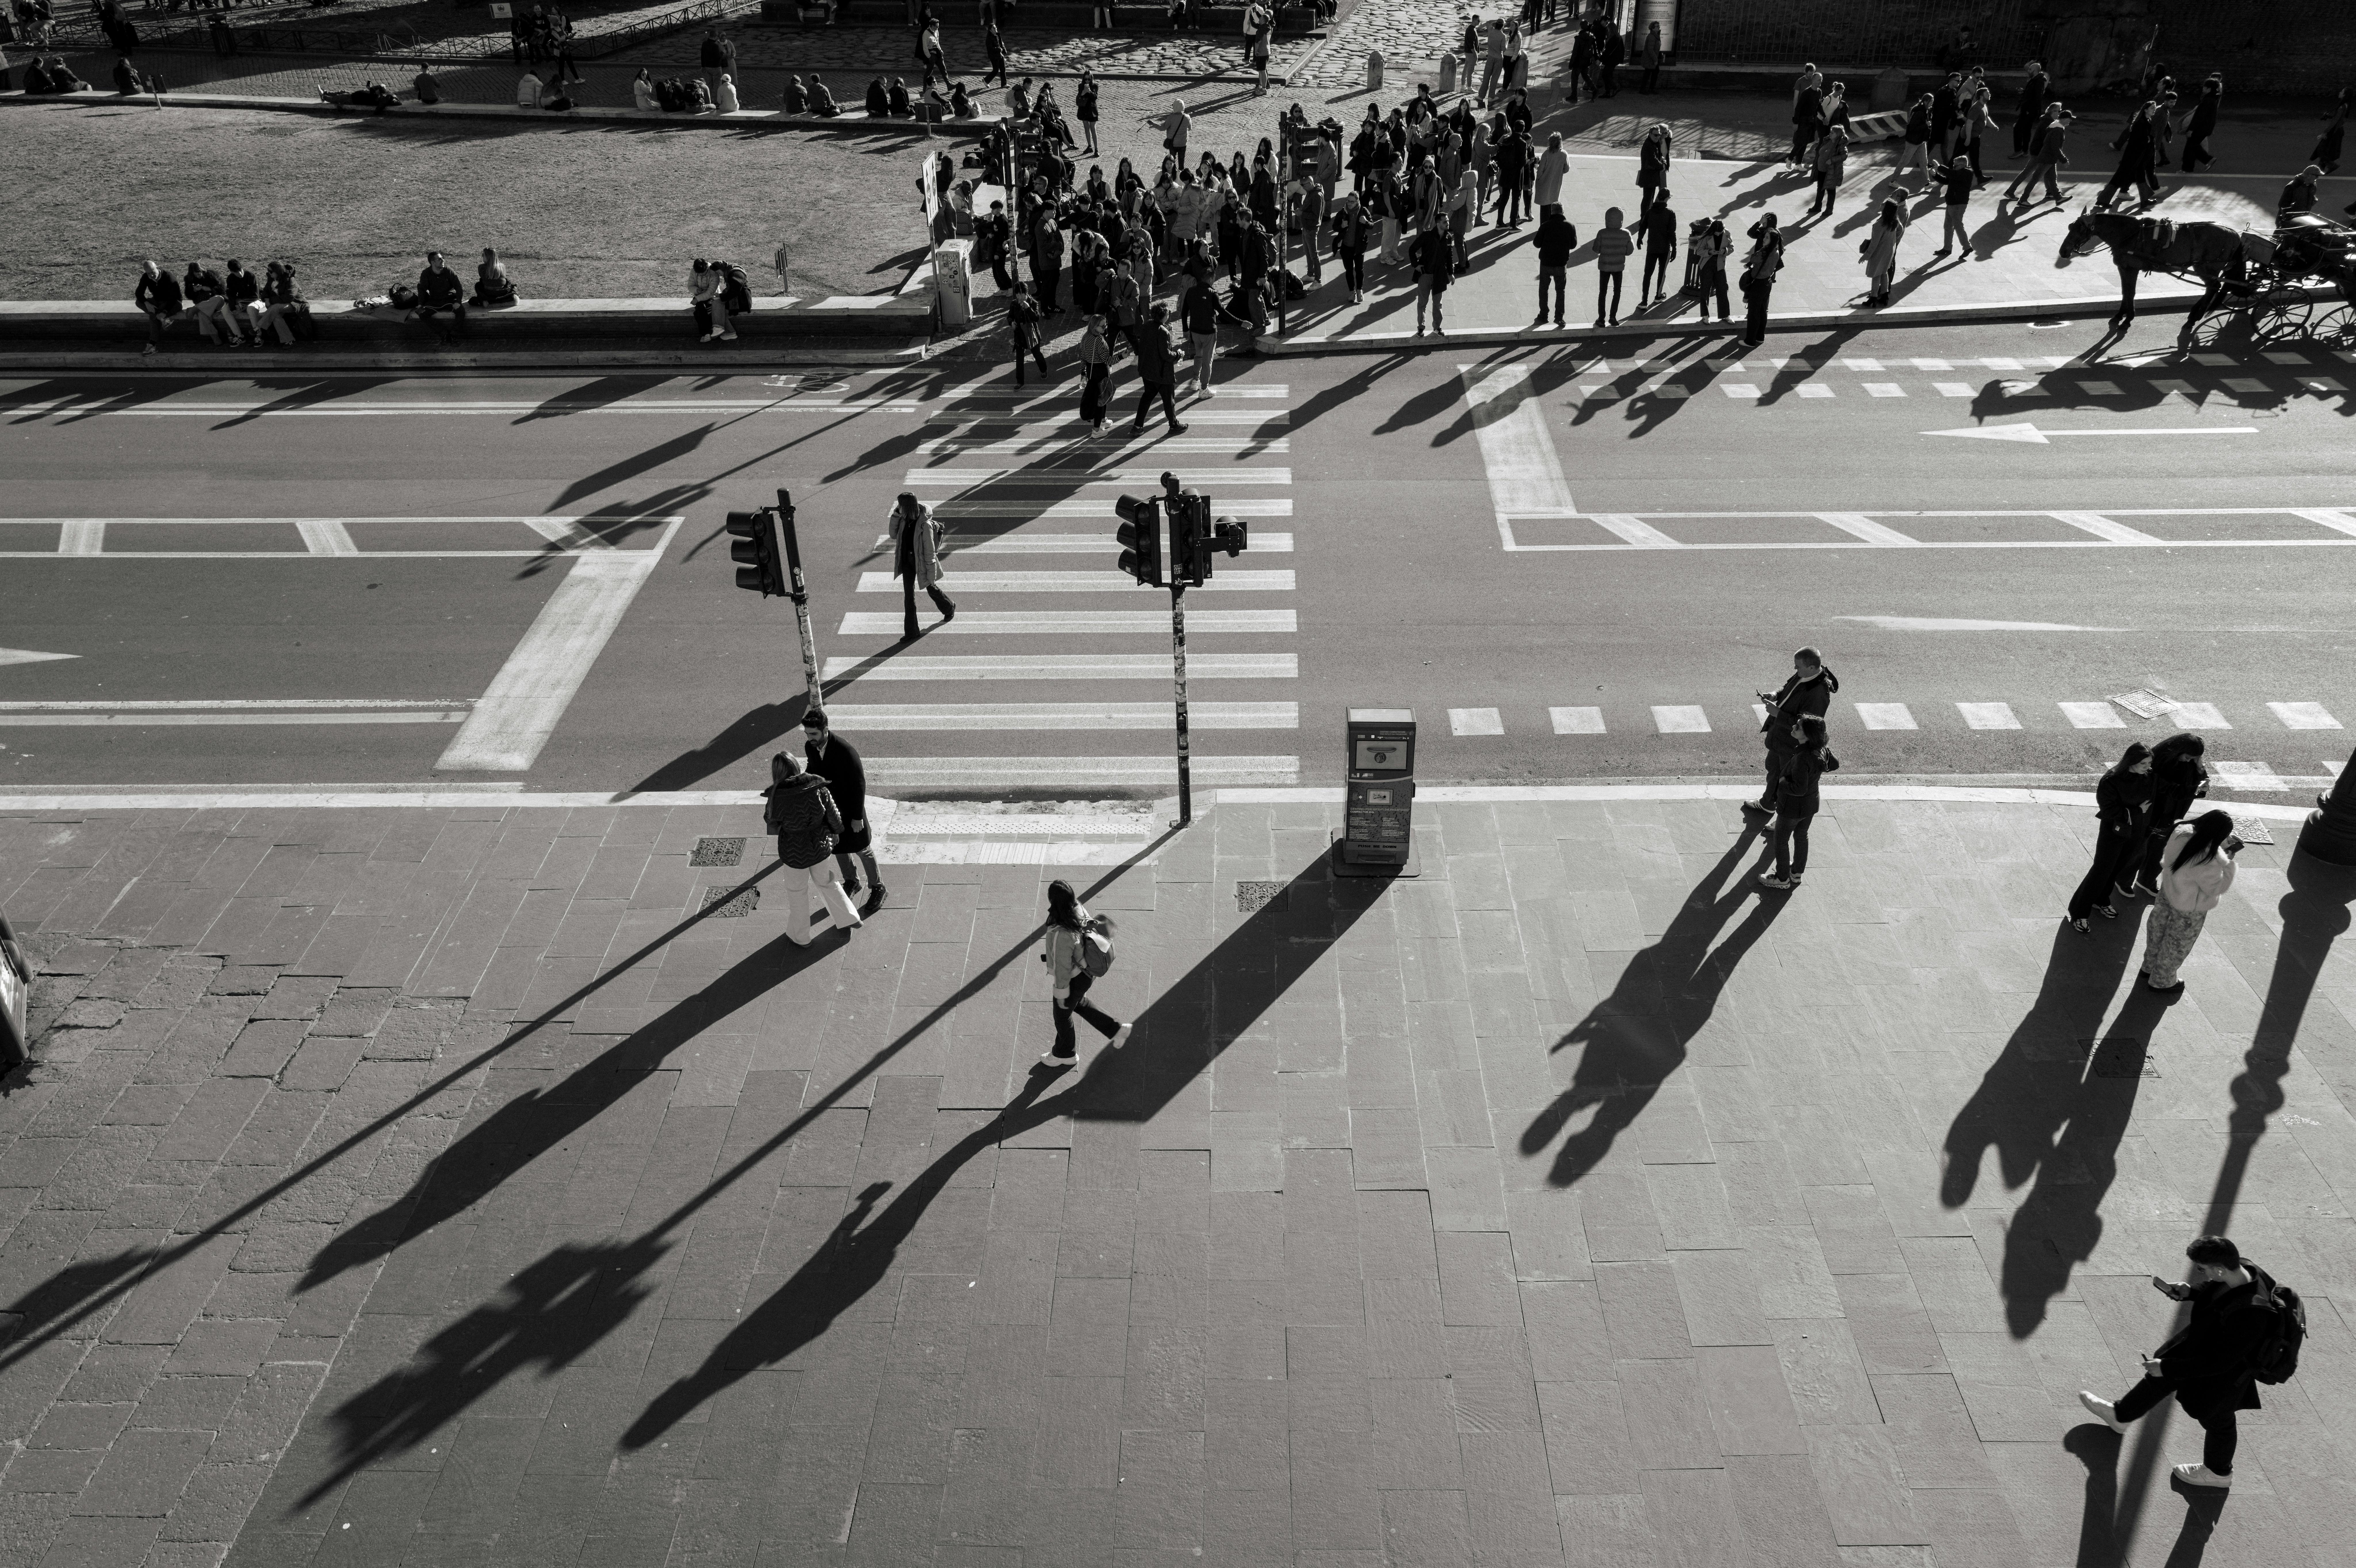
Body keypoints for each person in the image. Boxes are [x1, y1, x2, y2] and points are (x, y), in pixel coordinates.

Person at [2078, 1236, 2288, 1488]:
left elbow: (2218, 1364)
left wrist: (2166, 1367)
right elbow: (2216, 1292)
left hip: (2224, 1376)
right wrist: (2190, 1291)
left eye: (2203, 1268)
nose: (2203, 1273)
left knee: (2218, 1420)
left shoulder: (2250, 1315)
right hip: (2202, 1349)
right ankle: (2121, 1415)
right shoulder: (2246, 1269)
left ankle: (2219, 1473)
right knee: (2161, 1378)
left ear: (2220, 1268)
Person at [764, 753, 863, 946]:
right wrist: (836, 833)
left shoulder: (778, 796)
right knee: (826, 881)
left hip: (794, 853)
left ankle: (801, 938)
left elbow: (771, 821)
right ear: (796, 766)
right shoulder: (817, 787)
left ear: (776, 772)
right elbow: (833, 814)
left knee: (797, 893)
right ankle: (850, 917)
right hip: (820, 846)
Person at [2137, 808, 2241, 991]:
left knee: (2157, 931)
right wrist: (2229, 863)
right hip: (2189, 907)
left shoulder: (2180, 832)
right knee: (2177, 944)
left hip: (2168, 893)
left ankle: (2149, 968)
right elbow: (2217, 888)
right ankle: (2162, 981)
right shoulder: (2208, 859)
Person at [1039, 878, 1126, 1066]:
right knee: (1079, 1003)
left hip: (1073, 979)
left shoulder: (1062, 933)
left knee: (1062, 1016)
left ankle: (1065, 1054)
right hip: (1086, 973)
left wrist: (1061, 993)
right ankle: (1117, 1030)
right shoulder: (1077, 907)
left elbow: (1062, 969)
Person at [2066, 742, 2152, 932]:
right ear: (2132, 761)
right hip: (2113, 833)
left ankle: (2101, 900)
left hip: (2136, 833)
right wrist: (2137, 812)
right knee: (2101, 872)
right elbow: (2108, 809)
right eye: (2144, 763)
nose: (2148, 767)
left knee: (2117, 870)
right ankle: (2079, 912)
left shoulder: (2149, 776)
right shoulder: (2112, 780)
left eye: (2149, 763)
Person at [1742, 647, 1835, 819]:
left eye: (1798, 667)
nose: (1795, 670)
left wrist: (1779, 714)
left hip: (1792, 743)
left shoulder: (1819, 693)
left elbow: (1810, 725)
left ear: (1812, 668)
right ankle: (1767, 804)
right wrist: (1775, 694)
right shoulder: (1804, 675)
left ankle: (1783, 818)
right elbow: (1788, 686)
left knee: (1787, 782)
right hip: (1781, 738)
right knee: (1773, 771)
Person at [802, 708, 881, 908]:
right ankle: (852, 881)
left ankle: (878, 887)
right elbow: (814, 770)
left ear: (825, 730)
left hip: (850, 810)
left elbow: (859, 785)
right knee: (838, 847)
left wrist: (857, 818)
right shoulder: (811, 747)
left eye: (814, 734)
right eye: (807, 733)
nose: (810, 738)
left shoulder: (846, 751)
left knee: (863, 849)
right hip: (830, 810)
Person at [2131, 732, 2210, 897]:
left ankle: (2147, 880)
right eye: (2188, 757)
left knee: (2160, 849)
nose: (2188, 761)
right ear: (2178, 750)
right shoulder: (2158, 762)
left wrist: (2200, 768)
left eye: (2192, 759)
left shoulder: (2188, 763)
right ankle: (2133, 880)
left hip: (2172, 812)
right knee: (2146, 848)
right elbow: (2170, 790)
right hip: (2156, 811)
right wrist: (2195, 790)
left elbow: (2196, 781)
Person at [1756, 716, 1825, 891]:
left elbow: (1798, 788)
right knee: (1802, 836)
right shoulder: (1821, 749)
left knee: (1780, 840)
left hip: (1794, 807)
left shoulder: (1803, 757)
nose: (1794, 727)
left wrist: (1782, 782)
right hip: (1811, 804)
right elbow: (1835, 764)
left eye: (1799, 727)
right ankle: (1796, 874)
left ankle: (1782, 879)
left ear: (1808, 734)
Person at [886, 491, 956, 640]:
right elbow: (893, 534)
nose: (898, 507)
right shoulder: (903, 518)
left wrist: (932, 575)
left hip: (921, 562)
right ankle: (912, 633)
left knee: (931, 588)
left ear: (907, 506)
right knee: (909, 597)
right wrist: (896, 515)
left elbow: (930, 552)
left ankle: (949, 607)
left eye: (900, 505)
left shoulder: (925, 525)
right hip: (907, 562)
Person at [1179, 268, 1245, 393]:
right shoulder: (1212, 294)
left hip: (1195, 332)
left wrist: (1185, 329)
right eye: (1214, 279)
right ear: (1210, 279)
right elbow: (1223, 313)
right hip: (1209, 332)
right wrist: (1241, 323)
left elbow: (1184, 312)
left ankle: (1195, 381)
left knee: (1199, 356)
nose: (1214, 282)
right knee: (1207, 360)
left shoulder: (1191, 291)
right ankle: (1204, 389)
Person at [1130, 303, 1189, 435]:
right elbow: (1166, 355)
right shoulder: (1163, 332)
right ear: (1165, 315)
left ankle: (1138, 427)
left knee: (1147, 397)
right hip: (1161, 373)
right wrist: (1179, 355)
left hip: (1147, 370)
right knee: (1169, 401)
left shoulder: (1148, 325)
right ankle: (1174, 425)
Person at [2005, 104, 2070, 204]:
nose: (2060, 113)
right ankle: (2013, 193)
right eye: (2059, 111)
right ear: (2052, 112)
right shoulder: (2049, 123)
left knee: (2051, 175)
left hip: (2043, 153)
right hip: (2040, 153)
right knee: (2030, 174)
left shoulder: (2049, 122)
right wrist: (2061, 158)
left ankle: (2052, 193)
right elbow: (2050, 143)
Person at [1740, 213, 1783, 345]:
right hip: (1767, 282)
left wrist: (1756, 259)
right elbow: (1752, 233)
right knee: (1763, 311)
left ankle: (1750, 341)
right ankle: (1760, 337)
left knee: (1754, 313)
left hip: (1759, 281)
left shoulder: (1765, 251)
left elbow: (1754, 259)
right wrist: (1759, 223)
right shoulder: (1775, 250)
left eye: (1766, 237)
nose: (1764, 238)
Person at [182, 261, 246, 346]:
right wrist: (195, 290)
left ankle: (195, 309)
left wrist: (208, 289)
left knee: (219, 299)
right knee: (202, 314)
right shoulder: (189, 280)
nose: (199, 276)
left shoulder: (211, 275)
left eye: (200, 273)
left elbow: (223, 290)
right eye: (196, 275)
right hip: (203, 304)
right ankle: (215, 337)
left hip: (217, 302)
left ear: (202, 270)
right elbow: (189, 295)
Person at [1533, 206, 1576, 328]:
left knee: (1544, 289)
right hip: (1561, 264)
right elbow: (1574, 245)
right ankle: (1559, 317)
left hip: (1546, 263)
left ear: (1552, 212)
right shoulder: (1570, 226)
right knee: (1560, 291)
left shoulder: (1545, 225)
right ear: (1563, 212)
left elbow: (1536, 244)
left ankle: (1543, 315)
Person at [1860, 196, 1906, 306]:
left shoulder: (1880, 224)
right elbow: (1901, 229)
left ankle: (1874, 298)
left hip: (1880, 252)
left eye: (1884, 204)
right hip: (1890, 250)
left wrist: (1865, 256)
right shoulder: (1895, 221)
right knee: (1884, 273)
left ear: (1887, 209)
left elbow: (1874, 244)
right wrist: (1893, 240)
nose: (1881, 205)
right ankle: (1885, 296)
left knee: (1876, 275)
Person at [133, 259, 186, 355]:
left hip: (174, 303)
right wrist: (147, 303)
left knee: (153, 318)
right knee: (139, 302)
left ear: (157, 268)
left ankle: (152, 345)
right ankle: (163, 320)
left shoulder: (169, 277)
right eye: (149, 274)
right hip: (158, 303)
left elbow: (175, 298)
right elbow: (139, 293)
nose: (152, 276)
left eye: (153, 272)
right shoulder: (146, 277)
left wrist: (165, 312)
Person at [1592, 206, 1633, 326]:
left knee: (1603, 293)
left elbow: (1596, 249)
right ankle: (1613, 317)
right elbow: (1630, 251)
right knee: (1617, 291)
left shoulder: (1602, 233)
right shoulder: (1626, 234)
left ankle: (1601, 319)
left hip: (1605, 267)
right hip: (1618, 267)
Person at [1076, 312, 1115, 437]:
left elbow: (1084, 358)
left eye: (1106, 325)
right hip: (1101, 373)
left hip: (1091, 372)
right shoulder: (1099, 340)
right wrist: (1122, 356)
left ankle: (1103, 421)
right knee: (1101, 401)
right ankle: (1097, 431)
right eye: (1103, 327)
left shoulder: (1087, 337)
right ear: (1095, 327)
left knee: (1103, 397)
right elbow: (1108, 361)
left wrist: (1083, 373)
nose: (1105, 328)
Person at [1636, 191, 1677, 309]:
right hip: (1665, 248)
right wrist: (1674, 248)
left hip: (1652, 248)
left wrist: (1640, 239)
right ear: (1666, 199)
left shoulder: (1650, 212)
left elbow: (1643, 226)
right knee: (1662, 273)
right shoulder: (1670, 214)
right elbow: (1672, 233)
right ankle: (1659, 296)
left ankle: (1644, 301)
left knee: (1648, 274)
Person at [1411, 221, 1452, 336]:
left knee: (1438, 303)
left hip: (1440, 276)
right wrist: (1416, 265)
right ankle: (1421, 328)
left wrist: (1451, 273)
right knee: (1422, 303)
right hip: (1425, 275)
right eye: (1445, 222)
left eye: (1448, 221)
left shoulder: (1448, 237)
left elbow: (1450, 256)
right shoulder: (1427, 236)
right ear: (1438, 224)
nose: (1448, 224)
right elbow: (1412, 249)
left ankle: (1437, 328)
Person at [1930, 154, 1974, 259]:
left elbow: (1952, 174)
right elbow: (1946, 180)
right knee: (1948, 226)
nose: (1953, 167)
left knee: (1958, 226)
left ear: (1963, 165)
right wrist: (1936, 175)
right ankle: (1947, 248)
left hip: (1958, 204)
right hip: (1952, 203)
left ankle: (1967, 247)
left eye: (1955, 166)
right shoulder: (1957, 173)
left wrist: (1939, 167)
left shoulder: (1967, 173)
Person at [1687, 216, 1730, 322]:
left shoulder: (1727, 234)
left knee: (1723, 289)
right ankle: (1705, 316)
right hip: (1707, 264)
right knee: (1705, 290)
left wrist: (1725, 251)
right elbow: (1699, 251)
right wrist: (1710, 252)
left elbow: (1731, 247)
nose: (1719, 234)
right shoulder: (1707, 236)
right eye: (1717, 233)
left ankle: (1725, 315)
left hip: (1720, 264)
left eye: (1720, 233)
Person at [1331, 186, 1368, 304]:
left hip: (1359, 247)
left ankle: (1360, 290)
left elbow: (1372, 225)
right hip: (1346, 247)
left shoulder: (1363, 212)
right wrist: (1341, 226)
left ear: (1358, 202)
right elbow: (1334, 227)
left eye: (1352, 202)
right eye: (1348, 201)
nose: (1350, 204)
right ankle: (1352, 291)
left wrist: (1366, 222)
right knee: (1349, 270)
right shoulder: (1343, 213)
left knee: (1359, 270)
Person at [1007, 279, 1048, 384]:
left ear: (1026, 293)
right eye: (1018, 295)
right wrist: (1012, 323)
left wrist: (1028, 308)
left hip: (1031, 334)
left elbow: (1037, 318)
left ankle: (1044, 370)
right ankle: (1020, 382)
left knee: (1037, 355)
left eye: (1021, 295)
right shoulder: (1014, 304)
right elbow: (1010, 317)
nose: (1019, 297)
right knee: (1020, 360)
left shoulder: (1033, 303)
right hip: (1020, 335)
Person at [260, 260, 309, 346]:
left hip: (295, 303)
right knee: (276, 316)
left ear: (278, 272)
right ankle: (289, 340)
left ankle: (258, 327)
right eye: (268, 271)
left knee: (276, 308)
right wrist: (267, 299)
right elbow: (265, 294)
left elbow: (289, 297)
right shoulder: (271, 280)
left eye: (271, 272)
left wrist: (271, 301)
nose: (269, 273)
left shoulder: (290, 279)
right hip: (279, 304)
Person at [2181, 74, 2221, 173]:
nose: (2203, 88)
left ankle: (2207, 160)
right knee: (2192, 147)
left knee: (2192, 147)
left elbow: (2199, 117)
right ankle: (2189, 168)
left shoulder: (2207, 100)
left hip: (2200, 129)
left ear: (2209, 89)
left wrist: (2191, 129)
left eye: (2205, 87)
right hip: (2205, 128)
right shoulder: (2212, 99)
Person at [1808, 123, 1848, 220]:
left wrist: (1833, 160)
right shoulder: (1828, 140)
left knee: (1831, 190)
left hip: (1831, 171)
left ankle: (1829, 209)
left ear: (1838, 135)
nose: (1830, 134)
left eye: (1833, 133)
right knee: (1820, 189)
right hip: (1821, 169)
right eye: (1831, 132)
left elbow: (1844, 156)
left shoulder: (1840, 145)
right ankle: (1818, 207)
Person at [2011, 59, 2050, 158]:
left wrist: (2030, 111)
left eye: (2030, 70)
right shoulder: (2036, 80)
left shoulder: (2039, 82)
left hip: (2029, 111)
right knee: (2026, 130)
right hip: (2030, 110)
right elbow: (2033, 94)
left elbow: (2038, 98)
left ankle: (2018, 151)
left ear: (2036, 71)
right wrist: (2025, 92)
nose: (2028, 71)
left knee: (2018, 129)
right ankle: (2025, 151)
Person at [2313, 89, 2351, 176]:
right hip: (2338, 131)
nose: (2340, 93)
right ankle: (2321, 169)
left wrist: (2325, 133)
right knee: (2326, 150)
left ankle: (2331, 165)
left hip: (2335, 131)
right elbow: (2338, 118)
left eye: (2342, 92)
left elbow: (2335, 122)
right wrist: (2330, 116)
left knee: (2321, 150)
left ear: (2345, 95)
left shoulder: (2342, 107)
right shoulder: (2345, 105)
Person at [1636, 123, 1670, 215]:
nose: (1657, 137)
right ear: (1650, 135)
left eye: (1659, 135)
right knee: (1647, 199)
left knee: (1650, 198)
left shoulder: (1655, 144)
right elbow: (1653, 160)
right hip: (1649, 177)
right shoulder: (1649, 146)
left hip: (1652, 177)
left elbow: (1661, 156)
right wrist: (1662, 166)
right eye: (1656, 135)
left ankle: (1646, 216)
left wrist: (1664, 162)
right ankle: (1644, 218)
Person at [1534, 130, 1569, 220]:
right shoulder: (1564, 154)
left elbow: (1541, 170)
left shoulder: (1547, 154)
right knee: (1554, 204)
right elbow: (1567, 168)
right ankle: (1553, 222)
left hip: (1545, 182)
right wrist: (1560, 172)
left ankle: (1544, 224)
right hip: (1556, 183)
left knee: (1544, 207)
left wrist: (1539, 179)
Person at [1076, 68, 1100, 156]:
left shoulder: (1095, 86)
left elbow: (1095, 98)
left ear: (1091, 79)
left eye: (1089, 79)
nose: (1087, 81)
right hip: (1084, 110)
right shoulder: (1081, 86)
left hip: (1092, 110)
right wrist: (1083, 92)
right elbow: (1079, 97)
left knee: (1093, 129)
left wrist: (1089, 91)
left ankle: (1097, 149)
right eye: (1086, 79)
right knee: (1087, 128)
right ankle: (1090, 147)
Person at [1638, 21, 1661, 93]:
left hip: (1652, 59)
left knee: (1652, 73)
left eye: (1659, 26)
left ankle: (1649, 89)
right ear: (1653, 28)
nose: (1659, 27)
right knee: (1648, 74)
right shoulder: (1652, 37)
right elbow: (1650, 49)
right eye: (1658, 26)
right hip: (1651, 59)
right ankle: (1645, 89)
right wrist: (1655, 60)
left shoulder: (1655, 36)